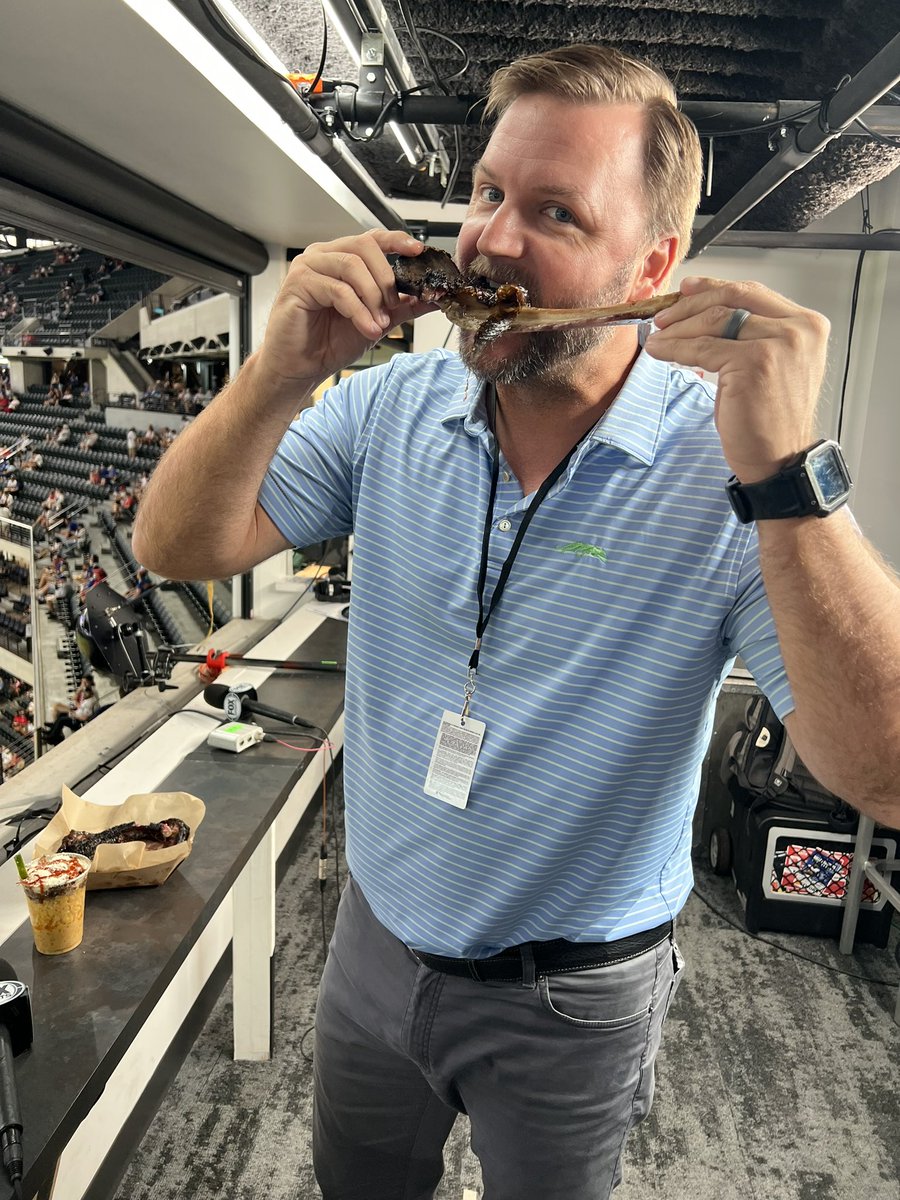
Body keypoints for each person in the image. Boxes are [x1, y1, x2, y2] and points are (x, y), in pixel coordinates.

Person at [133, 43, 900, 1200]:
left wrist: (791, 476)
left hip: (575, 998)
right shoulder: (393, 403)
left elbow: (881, 773)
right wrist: (277, 375)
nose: (490, 238)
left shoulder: (730, 471)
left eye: (552, 211)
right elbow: (175, 549)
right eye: (487, 192)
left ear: (653, 262)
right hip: (374, 949)